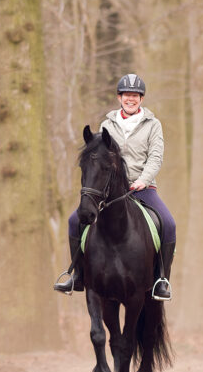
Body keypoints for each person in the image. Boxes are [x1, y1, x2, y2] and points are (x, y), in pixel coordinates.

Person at [54, 73, 177, 301]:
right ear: (119, 97)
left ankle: (162, 280)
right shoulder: (107, 124)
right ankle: (78, 275)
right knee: (74, 221)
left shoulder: (153, 125)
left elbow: (156, 157)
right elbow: (100, 157)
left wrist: (143, 179)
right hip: (110, 191)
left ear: (141, 99)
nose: (131, 99)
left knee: (168, 224)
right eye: (126, 95)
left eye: (135, 95)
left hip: (143, 188)